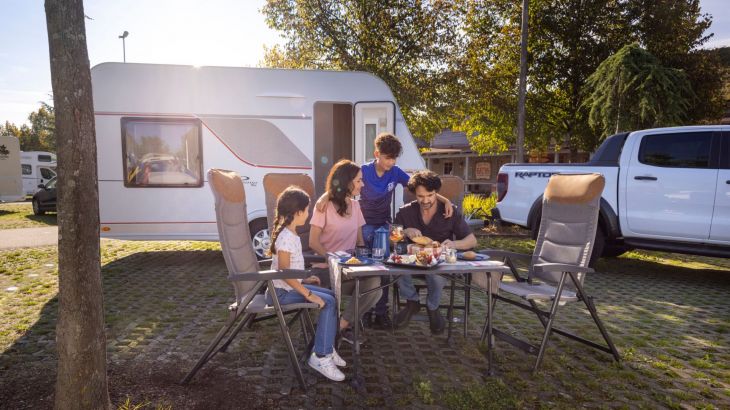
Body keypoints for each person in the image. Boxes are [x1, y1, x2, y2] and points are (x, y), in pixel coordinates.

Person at [316, 133, 454, 329]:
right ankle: (365, 311)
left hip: (386, 225)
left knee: (391, 260)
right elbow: (341, 183)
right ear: (377, 154)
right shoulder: (363, 171)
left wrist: (444, 199)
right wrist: (324, 197)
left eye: (394, 158)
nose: (391, 162)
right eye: (388, 157)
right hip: (364, 225)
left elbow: (419, 187)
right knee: (370, 262)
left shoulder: (395, 172)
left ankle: (381, 312)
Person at [265, 186, 346, 382]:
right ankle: (320, 357)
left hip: (288, 287)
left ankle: (326, 347)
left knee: (332, 297)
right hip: (280, 294)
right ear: (297, 212)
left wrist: (306, 279)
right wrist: (309, 294)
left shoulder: (290, 234)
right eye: (307, 210)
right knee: (325, 302)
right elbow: (284, 273)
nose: (309, 214)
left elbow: (290, 270)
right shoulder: (286, 238)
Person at [393, 170, 477, 334]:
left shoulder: (449, 211)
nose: (425, 200)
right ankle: (412, 301)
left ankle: (433, 307)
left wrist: (453, 244)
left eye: (430, 195)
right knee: (396, 264)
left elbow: (472, 240)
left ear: (436, 193)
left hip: (438, 265)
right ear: (414, 195)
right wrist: (405, 231)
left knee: (435, 274)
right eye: (420, 196)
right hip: (412, 263)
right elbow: (392, 239)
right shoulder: (405, 212)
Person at [309, 159, 382, 344]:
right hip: (324, 270)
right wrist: (332, 258)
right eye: (358, 180)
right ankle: (342, 329)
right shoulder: (323, 206)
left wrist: (371, 258)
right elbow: (312, 241)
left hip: (348, 271)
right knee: (372, 288)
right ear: (346, 182)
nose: (362, 184)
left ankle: (340, 326)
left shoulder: (356, 206)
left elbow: (359, 242)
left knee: (375, 286)